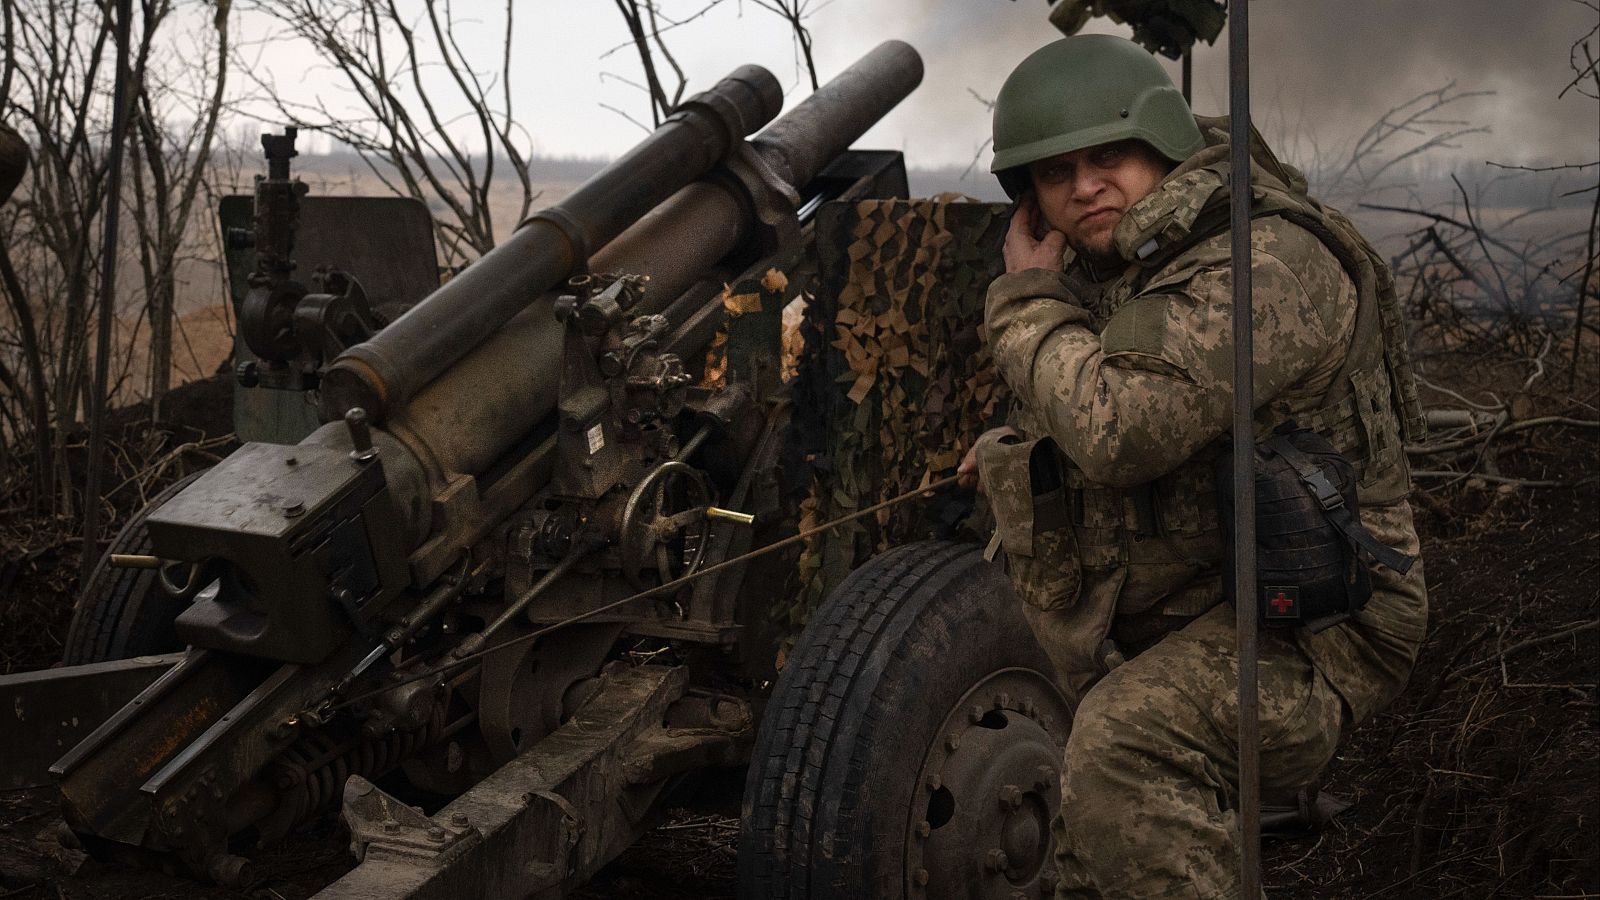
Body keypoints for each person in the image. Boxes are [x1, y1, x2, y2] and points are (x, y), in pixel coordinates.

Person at [956, 34, 1429, 899]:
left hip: (1324, 629)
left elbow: (1118, 429)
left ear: (1165, 145)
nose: (1083, 186)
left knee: (1125, 747)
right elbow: (1112, 387)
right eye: (1054, 172)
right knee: (1096, 848)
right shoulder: (1131, 260)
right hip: (1212, 598)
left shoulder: (1263, 262)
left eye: (1109, 155)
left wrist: (1025, 303)